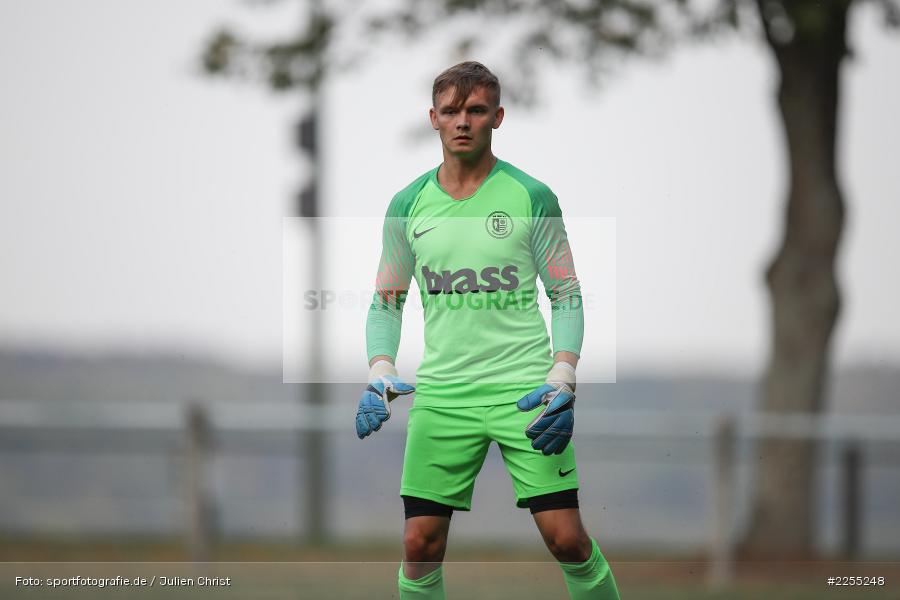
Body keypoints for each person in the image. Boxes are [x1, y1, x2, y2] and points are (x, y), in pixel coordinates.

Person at [356, 61, 620, 600]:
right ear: (432, 118)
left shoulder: (532, 196)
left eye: (475, 110)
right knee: (419, 543)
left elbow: (567, 294)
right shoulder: (408, 206)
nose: (463, 122)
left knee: (566, 539)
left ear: (497, 116)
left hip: (524, 393)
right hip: (443, 397)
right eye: (451, 111)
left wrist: (563, 375)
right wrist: (380, 370)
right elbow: (387, 301)